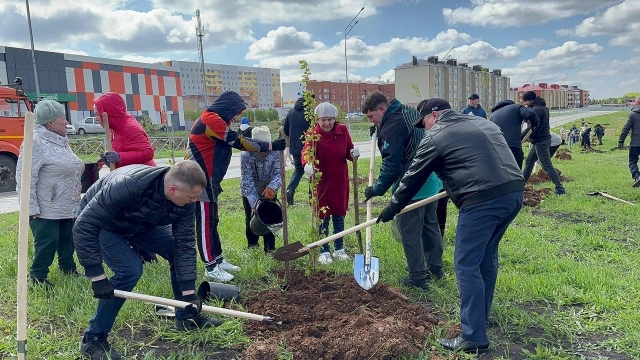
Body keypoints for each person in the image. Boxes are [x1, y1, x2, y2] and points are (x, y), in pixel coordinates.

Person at [376, 98, 524, 354]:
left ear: (434, 115)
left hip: (482, 200)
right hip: (513, 193)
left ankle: (473, 336)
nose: (424, 129)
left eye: (424, 124)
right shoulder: (481, 122)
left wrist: (392, 207)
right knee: (485, 257)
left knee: (466, 263)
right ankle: (481, 317)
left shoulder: (437, 136)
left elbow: (413, 176)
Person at [73, 161, 222, 360]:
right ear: (173, 189)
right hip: (106, 225)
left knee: (174, 250)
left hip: (142, 223)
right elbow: (84, 225)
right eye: (191, 197)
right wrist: (96, 276)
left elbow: (184, 244)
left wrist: (188, 294)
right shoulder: (128, 185)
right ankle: (93, 338)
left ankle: (186, 316)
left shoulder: (185, 203)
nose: (195, 201)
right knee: (130, 270)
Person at [186, 91, 286, 281]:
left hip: (209, 180)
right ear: (228, 107)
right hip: (198, 179)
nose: (236, 117)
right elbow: (239, 142)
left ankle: (218, 259)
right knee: (205, 223)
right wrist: (270, 146)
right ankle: (210, 266)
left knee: (213, 221)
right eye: (236, 112)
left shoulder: (216, 120)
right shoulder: (211, 120)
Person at [362, 93, 444, 288]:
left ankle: (418, 278)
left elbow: (391, 165)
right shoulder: (406, 110)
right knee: (430, 227)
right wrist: (379, 128)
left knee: (410, 233)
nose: (371, 120)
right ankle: (436, 269)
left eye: (371, 116)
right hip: (430, 181)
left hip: (412, 187)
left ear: (382, 109)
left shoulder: (392, 126)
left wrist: (377, 188)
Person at [16, 100, 84, 287]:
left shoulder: (61, 140)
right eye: (63, 117)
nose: (66, 121)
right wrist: (30, 207)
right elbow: (25, 177)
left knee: (67, 240)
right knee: (47, 243)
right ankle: (38, 277)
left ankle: (68, 270)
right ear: (51, 122)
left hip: (67, 203)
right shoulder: (35, 142)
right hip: (45, 207)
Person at [302, 102, 359, 264]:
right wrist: (307, 163)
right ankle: (324, 250)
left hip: (340, 182)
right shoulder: (312, 135)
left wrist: (353, 153)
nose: (327, 123)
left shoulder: (342, 131)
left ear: (335, 119)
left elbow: (349, 150)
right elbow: (306, 152)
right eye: (323, 120)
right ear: (318, 121)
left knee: (339, 215)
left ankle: (339, 248)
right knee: (323, 216)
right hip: (322, 183)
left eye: (330, 120)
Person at [240, 126, 281, 253]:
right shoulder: (246, 155)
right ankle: (252, 245)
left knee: (269, 218)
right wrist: (254, 202)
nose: (263, 150)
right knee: (251, 217)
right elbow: (247, 180)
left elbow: (279, 174)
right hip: (250, 191)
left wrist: (272, 188)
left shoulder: (276, 152)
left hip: (269, 191)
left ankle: (270, 249)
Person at [93, 92, 156, 169]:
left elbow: (148, 153)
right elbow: (122, 148)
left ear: (109, 113)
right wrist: (106, 158)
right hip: (131, 174)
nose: (96, 118)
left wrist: (119, 157)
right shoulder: (114, 128)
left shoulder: (130, 128)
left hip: (144, 176)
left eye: (97, 114)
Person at [520, 91, 566, 195]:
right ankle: (521, 185)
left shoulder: (536, 110)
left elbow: (531, 128)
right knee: (529, 162)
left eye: (525, 101)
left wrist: (519, 138)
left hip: (541, 141)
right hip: (539, 140)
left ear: (529, 100)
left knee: (546, 165)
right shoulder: (542, 108)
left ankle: (560, 188)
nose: (524, 104)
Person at [490, 99, 539, 169]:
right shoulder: (516, 107)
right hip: (512, 145)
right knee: (516, 171)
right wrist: (534, 124)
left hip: (496, 147)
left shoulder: (493, 115)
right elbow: (530, 113)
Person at [284, 96, 312, 205]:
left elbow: (286, 130)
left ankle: (290, 190)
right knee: (312, 171)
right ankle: (312, 197)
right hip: (309, 147)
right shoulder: (309, 113)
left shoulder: (291, 112)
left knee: (298, 170)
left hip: (295, 147)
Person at [618, 96, 640, 187]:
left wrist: (621, 141)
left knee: (632, 161)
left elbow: (625, 128)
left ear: (637, 103)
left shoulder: (633, 114)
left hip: (635, 143)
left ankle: (637, 176)